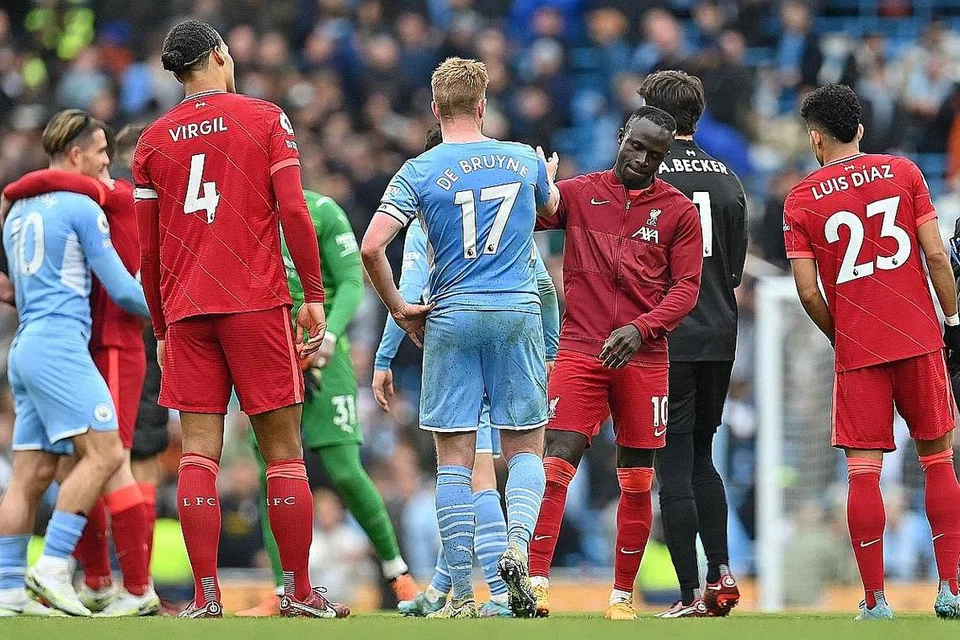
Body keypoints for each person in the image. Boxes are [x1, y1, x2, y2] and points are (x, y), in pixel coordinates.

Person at [132, 20, 346, 619]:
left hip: (187, 310)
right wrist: (314, 297)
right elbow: (295, 212)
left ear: (178, 74)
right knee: (283, 452)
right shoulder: (265, 118)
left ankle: (204, 597)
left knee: (199, 453)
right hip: (255, 301)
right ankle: (299, 592)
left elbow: (145, 251)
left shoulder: (152, 141)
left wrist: (160, 325)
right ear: (221, 56)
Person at [361, 57, 560, 619]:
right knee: (525, 446)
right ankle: (517, 550)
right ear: (482, 104)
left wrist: (399, 310)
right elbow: (550, 211)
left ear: (434, 108)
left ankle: (455, 596)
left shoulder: (418, 171)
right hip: (516, 311)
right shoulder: (523, 159)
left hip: (450, 316)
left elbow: (372, 247)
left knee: (455, 459)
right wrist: (548, 176)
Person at [784, 83, 960, 620]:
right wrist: (951, 319)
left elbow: (808, 290)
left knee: (864, 472)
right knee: (937, 461)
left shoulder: (800, 199)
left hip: (859, 346)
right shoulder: (904, 173)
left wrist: (842, 333)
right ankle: (951, 589)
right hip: (919, 335)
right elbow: (935, 253)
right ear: (859, 129)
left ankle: (874, 601)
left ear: (816, 139)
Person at [529, 105, 704, 621]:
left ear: (665, 157)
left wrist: (641, 328)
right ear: (622, 135)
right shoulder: (581, 194)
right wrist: (540, 186)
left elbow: (687, 289)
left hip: (645, 356)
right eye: (636, 146)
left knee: (636, 475)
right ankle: (535, 582)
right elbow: (533, 218)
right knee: (557, 460)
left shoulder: (678, 212)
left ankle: (621, 596)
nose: (642, 159)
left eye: (655, 154)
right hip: (581, 347)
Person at [236, 188, 420, 617]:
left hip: (321, 346)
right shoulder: (244, 213)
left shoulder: (320, 211)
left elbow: (352, 281)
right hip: (268, 349)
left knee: (344, 469)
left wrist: (330, 337)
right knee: (269, 474)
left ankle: (399, 575)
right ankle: (284, 591)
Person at [2, 123, 159, 617]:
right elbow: (125, 289)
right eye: (99, 154)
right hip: (68, 344)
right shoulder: (83, 206)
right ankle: (55, 570)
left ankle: (8, 589)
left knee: (30, 474)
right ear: (74, 154)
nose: (105, 167)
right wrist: (169, 313)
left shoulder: (16, 209)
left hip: (23, 346)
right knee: (108, 454)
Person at [637, 70, 747, 618]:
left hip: (667, 337)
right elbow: (733, 274)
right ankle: (721, 573)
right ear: (697, 114)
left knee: (671, 466)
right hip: (721, 334)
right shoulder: (729, 179)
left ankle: (687, 596)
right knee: (704, 457)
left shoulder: (650, 177)